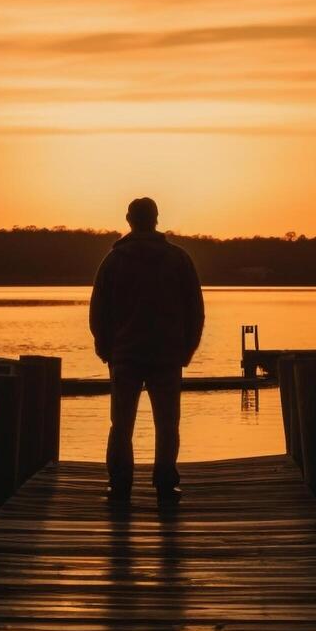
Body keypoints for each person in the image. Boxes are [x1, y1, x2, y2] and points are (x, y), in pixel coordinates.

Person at [88, 197, 205, 505]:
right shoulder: (178, 259)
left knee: (121, 424)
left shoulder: (113, 261)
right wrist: (186, 350)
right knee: (168, 424)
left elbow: (97, 312)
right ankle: (166, 484)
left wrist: (105, 349)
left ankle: (120, 484)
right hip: (167, 356)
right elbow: (196, 310)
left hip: (125, 356)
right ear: (156, 218)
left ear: (129, 219)